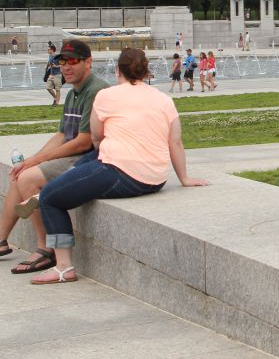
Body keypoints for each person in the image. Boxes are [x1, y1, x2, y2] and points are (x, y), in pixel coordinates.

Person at [25, 48, 208, 284]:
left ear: (117, 70)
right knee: (91, 159)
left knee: (51, 198)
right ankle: (61, 184)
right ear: (145, 71)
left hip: (121, 174)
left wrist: (109, 149)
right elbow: (175, 142)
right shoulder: (164, 99)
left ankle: (63, 267)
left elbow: (97, 138)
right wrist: (184, 178)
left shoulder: (106, 96)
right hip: (156, 178)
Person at [0, 39, 109, 276]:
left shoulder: (96, 90)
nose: (66, 66)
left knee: (28, 178)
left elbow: (83, 141)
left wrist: (36, 161)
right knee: (21, 172)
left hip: (90, 159)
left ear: (88, 62)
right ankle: (1, 240)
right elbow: (62, 134)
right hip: (74, 155)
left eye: (73, 61)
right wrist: (34, 158)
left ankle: (46, 248)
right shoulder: (73, 93)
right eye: (62, 62)